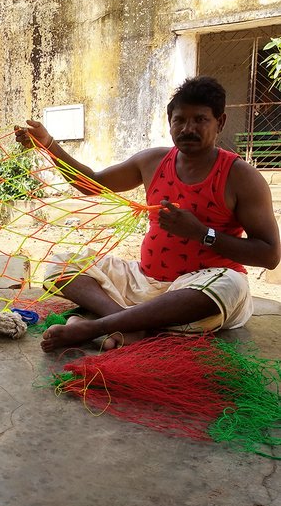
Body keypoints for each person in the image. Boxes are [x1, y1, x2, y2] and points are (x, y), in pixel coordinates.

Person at [14, 76, 281, 352]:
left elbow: (270, 256)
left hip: (199, 285)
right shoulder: (152, 161)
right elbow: (90, 183)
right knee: (62, 264)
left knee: (231, 286)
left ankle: (99, 326)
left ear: (220, 123)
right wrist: (48, 145)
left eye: (200, 120)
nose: (188, 129)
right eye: (180, 120)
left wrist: (201, 234)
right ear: (170, 122)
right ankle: (131, 324)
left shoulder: (241, 176)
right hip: (144, 281)